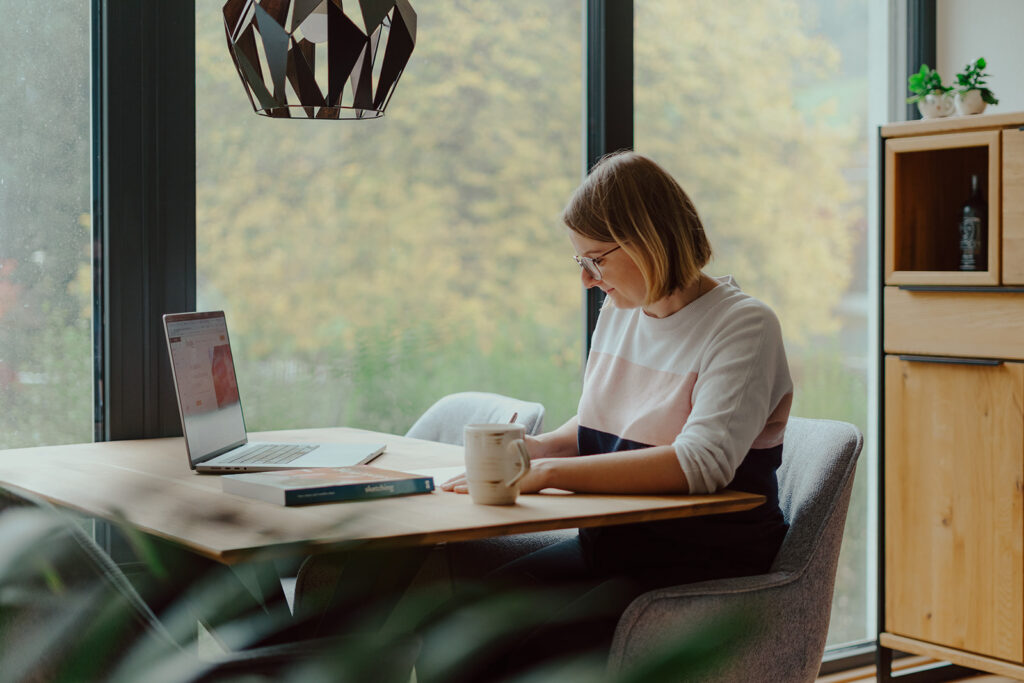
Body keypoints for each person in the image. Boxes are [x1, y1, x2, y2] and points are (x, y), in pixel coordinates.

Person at [434, 150, 794, 680]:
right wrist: (530, 450)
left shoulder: (743, 325)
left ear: (648, 239)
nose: (587, 280)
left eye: (595, 260)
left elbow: (702, 465)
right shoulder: (622, 310)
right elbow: (591, 430)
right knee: (459, 631)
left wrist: (547, 475)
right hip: (613, 545)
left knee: (518, 654)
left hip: (698, 561)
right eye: (580, 262)